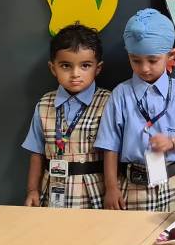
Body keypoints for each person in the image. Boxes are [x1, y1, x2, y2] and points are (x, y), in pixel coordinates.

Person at [95, 8, 175, 211]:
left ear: (170, 55)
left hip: (174, 185)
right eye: (136, 60)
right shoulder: (121, 94)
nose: (144, 68)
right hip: (132, 187)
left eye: (153, 60)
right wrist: (111, 188)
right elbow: (110, 144)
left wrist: (172, 142)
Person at [22, 24, 110, 208]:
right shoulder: (44, 104)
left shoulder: (108, 102)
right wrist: (32, 190)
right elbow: (37, 152)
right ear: (53, 68)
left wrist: (112, 189)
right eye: (66, 66)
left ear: (98, 68)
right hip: (52, 190)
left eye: (85, 66)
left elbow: (114, 152)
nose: (75, 74)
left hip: (93, 193)